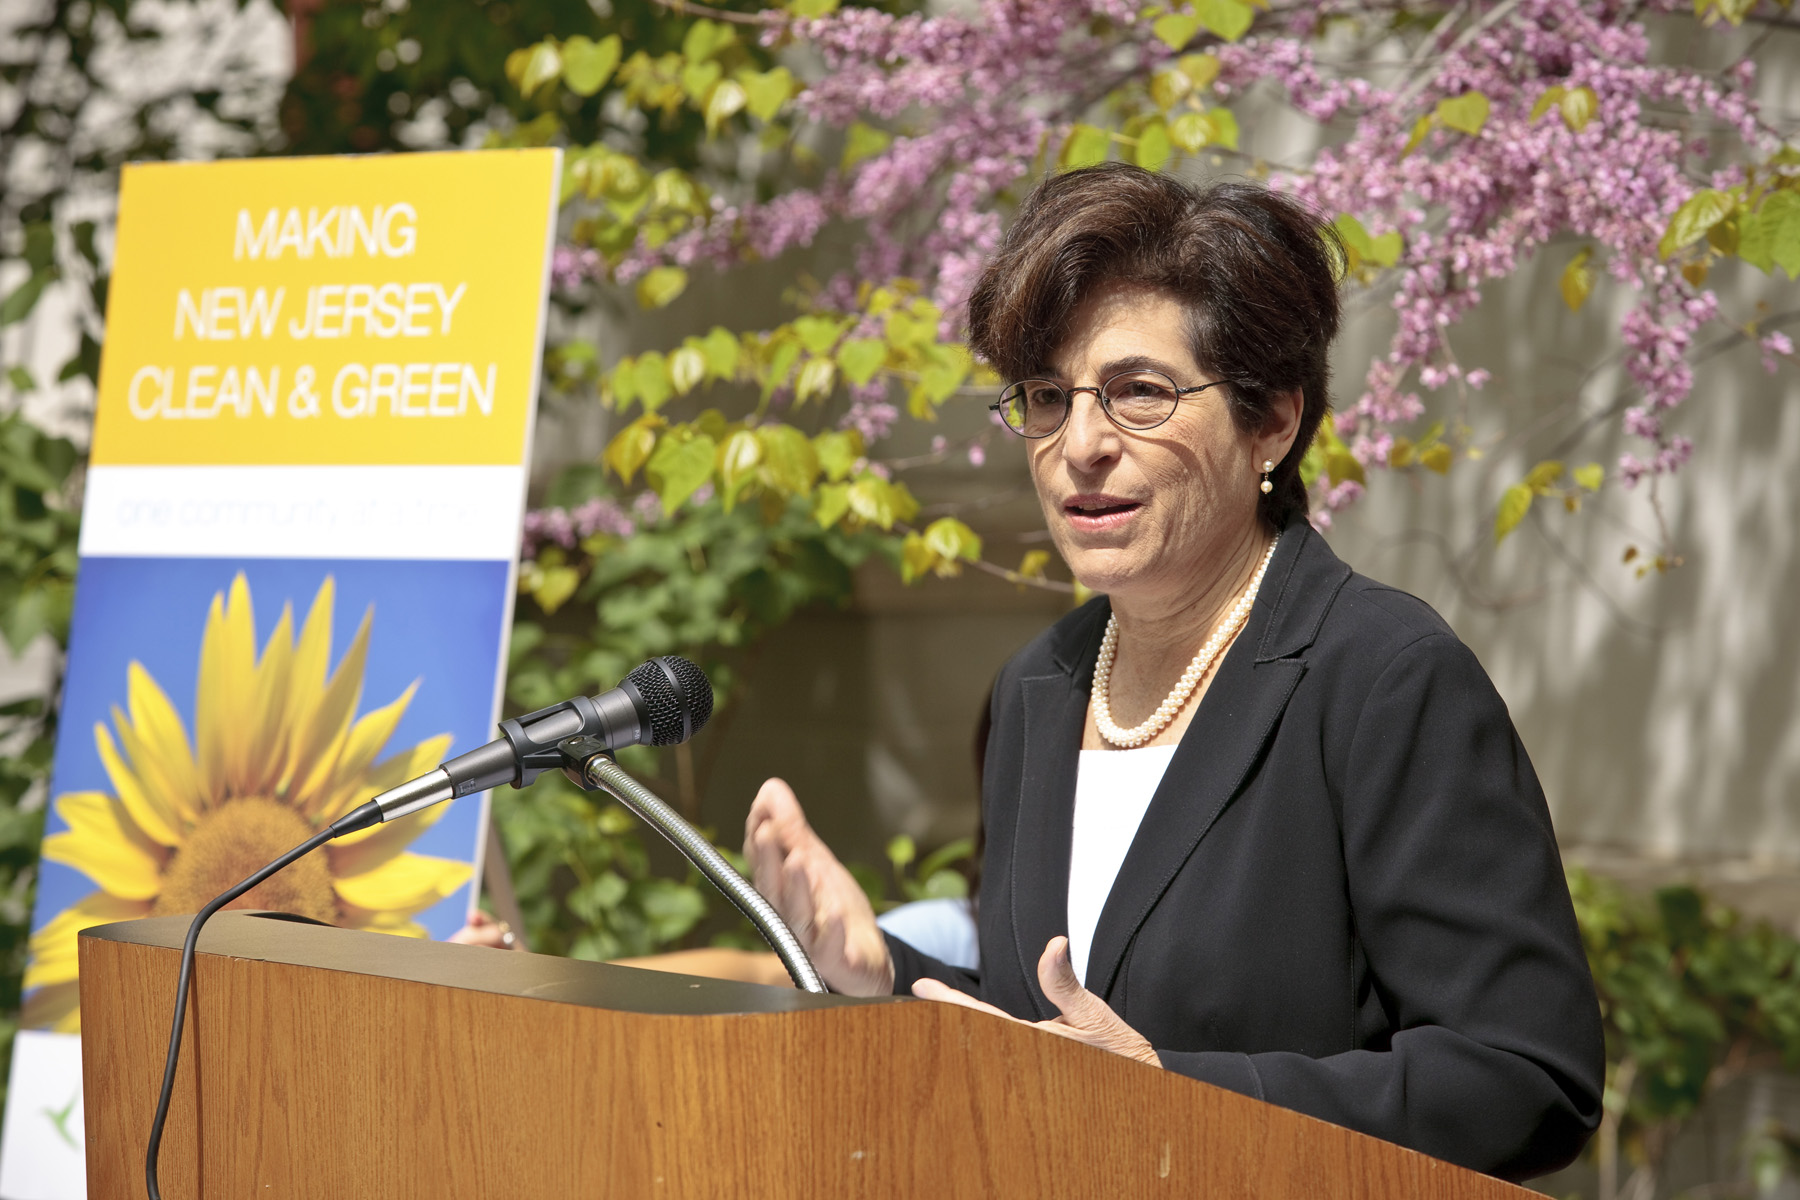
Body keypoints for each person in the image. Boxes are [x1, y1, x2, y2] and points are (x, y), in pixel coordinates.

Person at [742, 163, 1605, 1181]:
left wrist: (1169, 1094)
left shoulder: (1382, 677)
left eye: (1139, 393)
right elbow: (1061, 1025)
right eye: (1046, 398)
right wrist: (881, 970)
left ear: (1272, 421)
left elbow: (1525, 1079)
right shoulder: (1039, 686)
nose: (1082, 446)